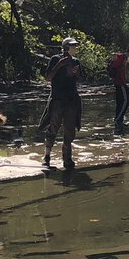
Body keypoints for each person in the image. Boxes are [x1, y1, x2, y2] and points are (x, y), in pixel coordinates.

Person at [40, 37, 85, 169]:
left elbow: (81, 78)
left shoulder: (76, 61)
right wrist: (60, 64)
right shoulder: (55, 59)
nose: (75, 48)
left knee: (69, 130)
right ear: (65, 47)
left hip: (72, 100)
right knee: (53, 128)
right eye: (73, 46)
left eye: (75, 46)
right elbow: (48, 78)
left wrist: (75, 74)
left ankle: (67, 158)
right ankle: (47, 156)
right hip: (58, 100)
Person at [109, 44, 129, 129]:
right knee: (126, 100)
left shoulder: (124, 58)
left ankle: (119, 120)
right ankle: (118, 119)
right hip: (120, 83)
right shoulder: (122, 57)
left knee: (120, 102)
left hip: (119, 83)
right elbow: (113, 64)